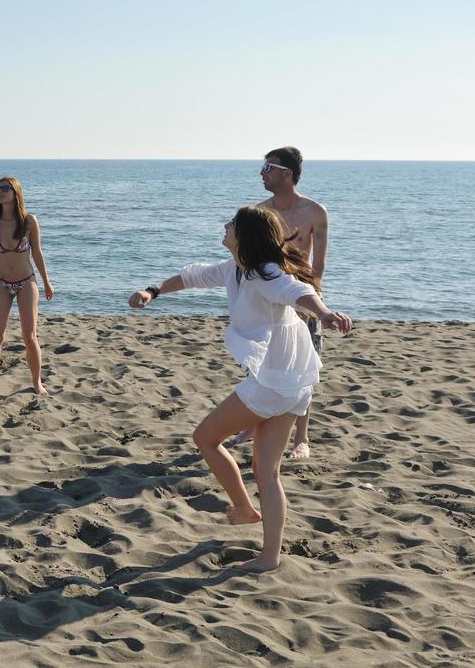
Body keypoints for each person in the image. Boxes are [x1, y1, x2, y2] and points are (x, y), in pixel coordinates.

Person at [128, 206, 351, 572]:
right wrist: (152, 291)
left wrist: (325, 313)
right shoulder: (235, 269)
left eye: (231, 224)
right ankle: (269, 557)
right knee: (268, 471)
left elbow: (298, 291)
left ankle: (246, 510)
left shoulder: (266, 274)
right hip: (295, 383)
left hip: (273, 384)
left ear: (244, 236)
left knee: (205, 437)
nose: (225, 226)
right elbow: (192, 276)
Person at [258, 147, 329, 459]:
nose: (262, 172)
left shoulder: (314, 212)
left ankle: (302, 438)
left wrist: (307, 307)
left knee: (304, 367)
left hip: (302, 298)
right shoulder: (260, 213)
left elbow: (318, 268)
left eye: (268, 167)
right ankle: (253, 426)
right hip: (269, 300)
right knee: (259, 364)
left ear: (286, 173)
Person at [0, 176, 53, 400]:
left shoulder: (29, 221)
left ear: (16, 192)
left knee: (30, 337)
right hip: (1, 283)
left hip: (27, 282)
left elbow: (37, 253)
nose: (0, 192)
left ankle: (37, 383)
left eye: (5, 188)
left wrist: (46, 282)